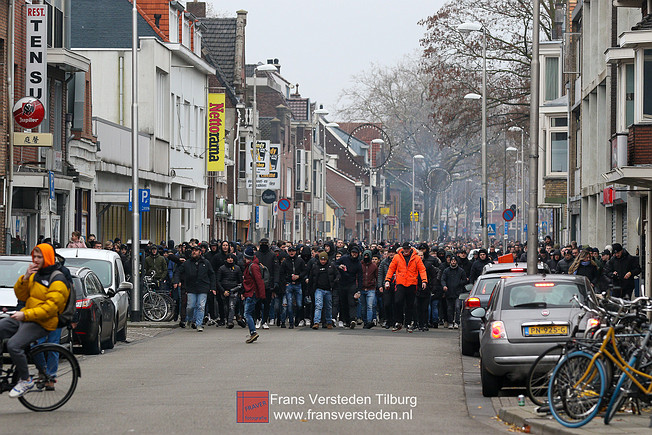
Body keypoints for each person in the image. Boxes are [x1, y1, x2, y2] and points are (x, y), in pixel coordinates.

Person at [0, 243, 70, 398]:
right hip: (27, 316)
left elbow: (50, 308)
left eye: (40, 257)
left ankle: (25, 380)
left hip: (44, 322)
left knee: (14, 345)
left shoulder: (57, 279)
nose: (36, 260)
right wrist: (24, 278)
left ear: (48, 257)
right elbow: (22, 296)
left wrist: (25, 315)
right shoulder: (35, 274)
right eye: (35, 256)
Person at [384, 242, 427, 333]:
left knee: (410, 304)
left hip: (412, 283)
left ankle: (408, 323)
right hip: (400, 282)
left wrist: (424, 281)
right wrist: (387, 280)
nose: (406, 250)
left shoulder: (416, 258)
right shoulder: (397, 257)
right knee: (398, 301)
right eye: (405, 248)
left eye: (407, 248)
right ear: (402, 249)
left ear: (410, 248)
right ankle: (398, 321)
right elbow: (391, 268)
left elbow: (422, 269)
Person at [173, 246, 215, 332]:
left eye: (196, 251)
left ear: (200, 252)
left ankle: (199, 324)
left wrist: (213, 287)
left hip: (203, 287)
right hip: (191, 288)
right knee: (190, 306)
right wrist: (176, 281)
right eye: (193, 251)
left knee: (201, 306)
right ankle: (190, 319)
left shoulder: (205, 262)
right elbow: (178, 272)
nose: (194, 252)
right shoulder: (187, 263)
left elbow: (212, 274)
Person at [336, 245, 364, 329]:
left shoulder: (358, 264)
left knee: (351, 302)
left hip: (351, 284)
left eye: (356, 253)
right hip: (342, 283)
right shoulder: (344, 258)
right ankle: (346, 321)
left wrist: (359, 290)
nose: (354, 254)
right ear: (350, 253)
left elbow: (360, 277)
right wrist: (339, 266)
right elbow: (334, 264)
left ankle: (352, 319)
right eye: (353, 253)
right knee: (343, 303)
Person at [241, 246, 265, 343]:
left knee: (247, 314)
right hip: (249, 292)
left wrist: (262, 294)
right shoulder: (250, 266)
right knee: (248, 313)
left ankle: (253, 332)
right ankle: (253, 332)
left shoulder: (253, 267)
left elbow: (259, 281)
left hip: (252, 293)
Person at [310, 252, 339, 329]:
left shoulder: (331, 266)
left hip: (328, 289)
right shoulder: (315, 266)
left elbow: (337, 275)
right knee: (318, 305)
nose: (323, 261)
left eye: (324, 260)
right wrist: (310, 289)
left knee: (328, 306)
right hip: (318, 289)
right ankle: (316, 322)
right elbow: (311, 277)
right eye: (321, 260)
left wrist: (335, 281)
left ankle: (329, 322)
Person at [279, 246, 306, 329]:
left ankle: (297, 319)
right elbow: (281, 273)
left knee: (299, 304)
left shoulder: (300, 260)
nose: (291, 252)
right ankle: (291, 322)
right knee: (289, 304)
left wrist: (299, 276)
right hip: (289, 284)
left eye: (293, 251)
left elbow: (304, 271)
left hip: (298, 284)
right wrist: (285, 283)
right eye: (290, 251)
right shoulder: (285, 262)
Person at [216, 253, 243, 328]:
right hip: (224, 290)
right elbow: (218, 281)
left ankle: (230, 321)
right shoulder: (221, 268)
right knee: (226, 307)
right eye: (229, 258)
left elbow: (240, 280)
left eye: (232, 258)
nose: (230, 260)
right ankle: (228, 320)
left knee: (232, 306)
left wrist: (240, 291)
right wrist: (222, 291)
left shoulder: (237, 268)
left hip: (234, 290)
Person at [441, 256, 467, 329]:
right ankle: (450, 322)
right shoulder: (446, 271)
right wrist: (444, 286)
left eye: (454, 261)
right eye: (452, 261)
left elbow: (465, 280)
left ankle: (457, 322)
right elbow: (443, 279)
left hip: (458, 293)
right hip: (449, 292)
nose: (453, 262)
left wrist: (459, 283)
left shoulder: (461, 271)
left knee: (457, 307)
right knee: (449, 308)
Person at [360, 250, 378, 329]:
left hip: (371, 288)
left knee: (370, 306)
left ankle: (369, 322)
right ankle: (365, 321)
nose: (366, 257)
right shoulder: (360, 265)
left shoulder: (374, 266)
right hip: (362, 288)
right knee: (363, 307)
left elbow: (377, 276)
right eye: (365, 256)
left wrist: (377, 285)